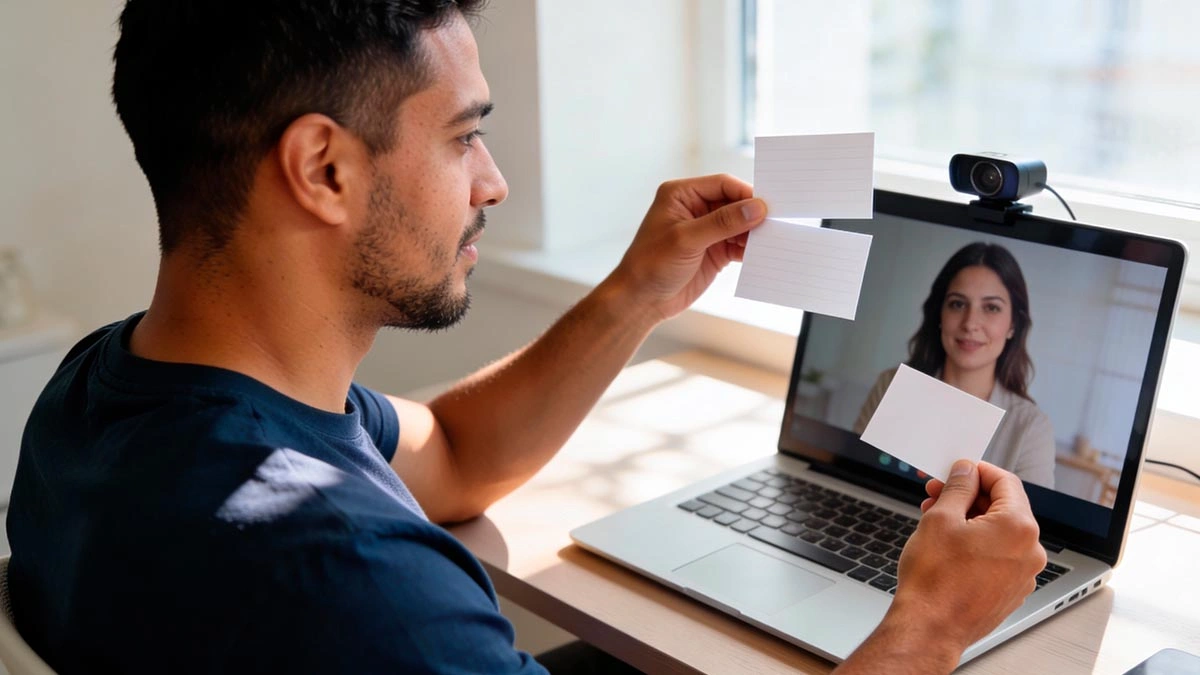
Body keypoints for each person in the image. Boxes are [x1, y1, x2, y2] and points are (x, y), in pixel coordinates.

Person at [6, 2, 1046, 674]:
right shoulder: (352, 589)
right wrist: (930, 630)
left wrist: (637, 293)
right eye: (464, 136)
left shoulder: (105, 390)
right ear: (323, 169)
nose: (493, 181)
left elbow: (452, 455)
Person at [853, 242, 1056, 488]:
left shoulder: (1031, 428)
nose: (970, 323)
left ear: (1013, 325)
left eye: (991, 308)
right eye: (958, 304)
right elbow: (854, 475)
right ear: (939, 314)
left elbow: (1025, 523)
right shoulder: (891, 385)